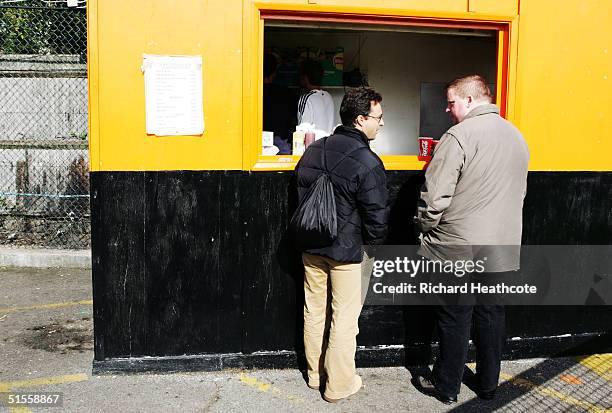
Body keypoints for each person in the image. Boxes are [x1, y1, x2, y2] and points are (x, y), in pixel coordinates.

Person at [414, 75, 530, 404]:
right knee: (492, 316)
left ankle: (448, 388)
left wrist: (425, 225)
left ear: (468, 100)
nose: (447, 109)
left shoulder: (458, 136)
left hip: (457, 247)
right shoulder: (516, 136)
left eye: (451, 102)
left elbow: (434, 197)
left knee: (454, 317)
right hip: (501, 248)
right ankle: (489, 386)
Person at [295, 87, 388, 403]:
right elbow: (376, 216)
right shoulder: (368, 161)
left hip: (311, 245)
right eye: (378, 116)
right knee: (344, 318)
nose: (382, 123)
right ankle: (338, 385)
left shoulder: (313, 150)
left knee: (314, 310)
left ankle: (314, 374)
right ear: (361, 119)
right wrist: (373, 249)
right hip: (348, 252)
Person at [263, 52, 296, 154]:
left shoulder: (251, 93)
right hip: (281, 145)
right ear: (274, 73)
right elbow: (294, 119)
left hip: (255, 143)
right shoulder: (286, 93)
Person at [297, 59, 335, 139]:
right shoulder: (328, 96)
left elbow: (302, 131)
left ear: (305, 78)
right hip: (328, 146)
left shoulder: (306, 98)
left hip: (313, 148)